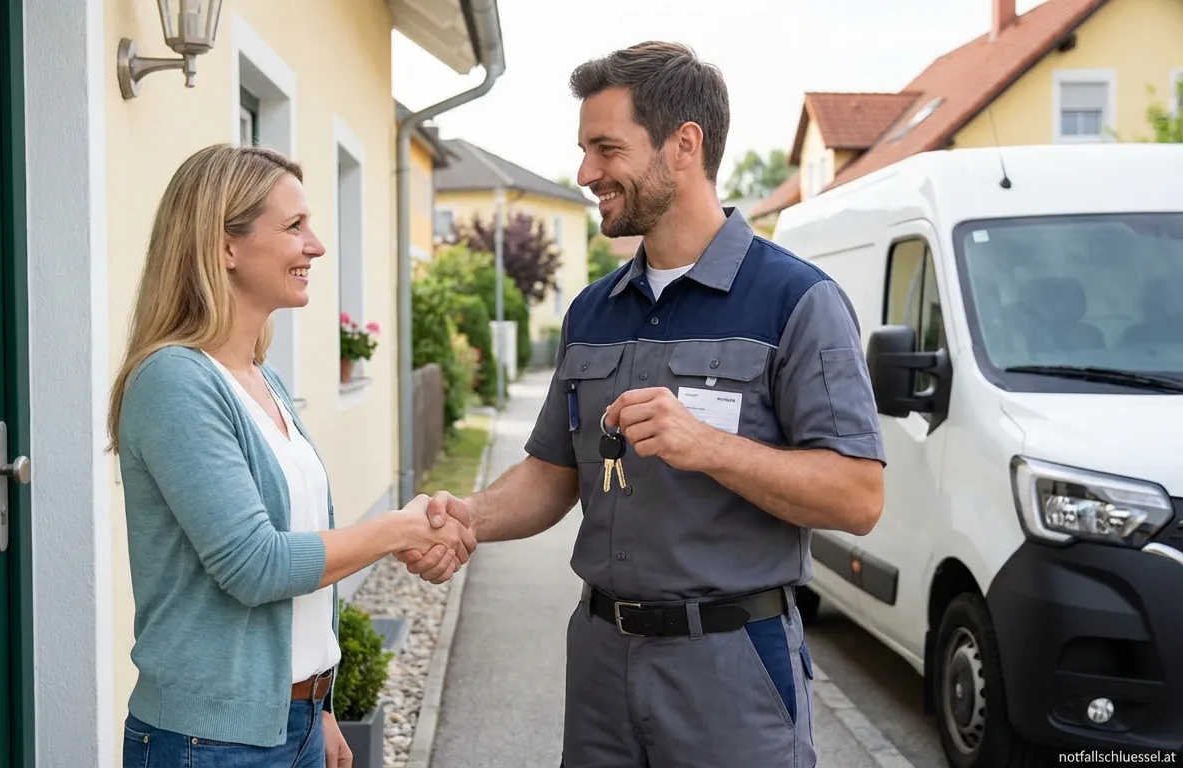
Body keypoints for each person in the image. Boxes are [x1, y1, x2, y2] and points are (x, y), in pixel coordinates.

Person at [399, 42, 886, 767]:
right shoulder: (592, 312)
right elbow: (553, 472)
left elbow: (858, 495)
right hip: (600, 660)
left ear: (683, 145)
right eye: (584, 149)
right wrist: (468, 520)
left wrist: (710, 446)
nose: (586, 172)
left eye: (606, 148)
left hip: (731, 669)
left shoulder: (796, 301)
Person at [108, 144, 476, 768]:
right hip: (210, 741)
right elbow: (255, 566)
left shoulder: (262, 379)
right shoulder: (174, 381)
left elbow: (301, 546)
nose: (317, 245)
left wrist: (319, 706)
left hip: (295, 722)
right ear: (225, 245)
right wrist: (398, 530)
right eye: (294, 226)